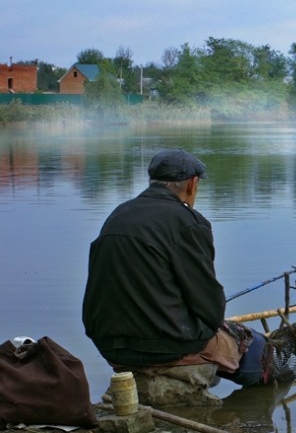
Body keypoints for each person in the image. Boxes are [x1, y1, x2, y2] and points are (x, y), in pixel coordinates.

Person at [82, 148, 277, 402]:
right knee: (258, 352)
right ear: (191, 183)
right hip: (165, 345)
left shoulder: (118, 215)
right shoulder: (189, 223)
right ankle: (255, 404)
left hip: (109, 345)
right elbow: (209, 306)